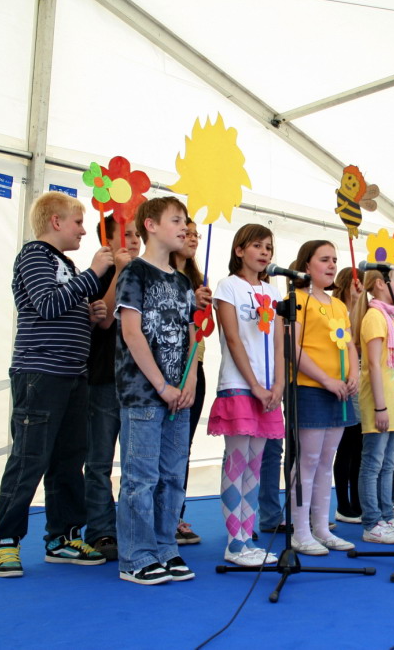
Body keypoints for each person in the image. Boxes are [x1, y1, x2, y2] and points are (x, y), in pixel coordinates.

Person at [0, 191, 113, 578]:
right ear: (56, 221)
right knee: (29, 459)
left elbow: (62, 310)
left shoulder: (66, 265)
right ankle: (1, 542)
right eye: (78, 222)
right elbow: (47, 304)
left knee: (69, 460)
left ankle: (63, 537)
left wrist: (89, 315)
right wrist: (93, 274)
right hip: (40, 374)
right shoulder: (35, 255)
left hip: (73, 375)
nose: (84, 231)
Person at [115, 196, 198, 585]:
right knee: (141, 477)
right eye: (176, 220)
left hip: (178, 397)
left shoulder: (182, 281)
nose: (184, 227)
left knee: (172, 476)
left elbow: (192, 335)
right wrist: (162, 385)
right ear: (150, 225)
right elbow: (132, 333)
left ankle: (166, 547)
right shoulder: (135, 271)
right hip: (143, 395)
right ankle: (136, 555)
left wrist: (189, 380)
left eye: (185, 221)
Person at [206, 223, 284, 566]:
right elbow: (233, 338)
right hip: (239, 384)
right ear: (239, 250)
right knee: (237, 462)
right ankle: (234, 543)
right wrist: (254, 384)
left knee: (256, 463)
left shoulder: (273, 291)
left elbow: (279, 341)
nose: (264, 252)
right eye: (257, 246)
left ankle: (248, 537)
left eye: (269, 247)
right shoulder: (229, 287)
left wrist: (278, 384)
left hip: (268, 390)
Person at [286, 240, 359, 555]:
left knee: (327, 461)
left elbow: (349, 344)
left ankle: (321, 528)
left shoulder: (338, 305)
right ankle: (300, 531)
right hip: (311, 388)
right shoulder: (296, 300)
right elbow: (292, 347)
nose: (331, 266)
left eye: (334, 260)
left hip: (339, 391)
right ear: (307, 265)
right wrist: (326, 379)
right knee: (308, 460)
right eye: (324, 260)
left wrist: (353, 374)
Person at [84, 214, 140, 561]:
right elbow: (103, 320)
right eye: (127, 234)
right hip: (104, 379)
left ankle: (133, 528)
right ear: (108, 238)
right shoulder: (96, 274)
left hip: (138, 382)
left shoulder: (147, 274)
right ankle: (101, 530)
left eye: (137, 235)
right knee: (99, 461)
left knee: (138, 463)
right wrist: (118, 270)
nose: (134, 241)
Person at [351, 269, 394, 543]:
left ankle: (387, 515)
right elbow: (373, 364)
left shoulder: (393, 318)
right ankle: (372, 522)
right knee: (373, 462)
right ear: (379, 284)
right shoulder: (375, 316)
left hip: (393, 399)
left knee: (389, 463)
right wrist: (381, 407)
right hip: (379, 400)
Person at [171, 216, 213, 546]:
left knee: (182, 446)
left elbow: (203, 329)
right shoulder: (161, 274)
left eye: (196, 234)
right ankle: (156, 514)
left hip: (194, 367)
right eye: (187, 233)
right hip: (168, 368)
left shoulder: (199, 280)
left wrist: (203, 307)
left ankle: (176, 513)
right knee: (163, 447)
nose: (193, 238)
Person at [331, 267, 364, 524]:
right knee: (346, 446)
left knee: (358, 446)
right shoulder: (338, 309)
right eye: (356, 283)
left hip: (359, 382)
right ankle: (343, 503)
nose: (360, 287)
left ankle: (356, 501)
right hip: (343, 382)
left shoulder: (362, 309)